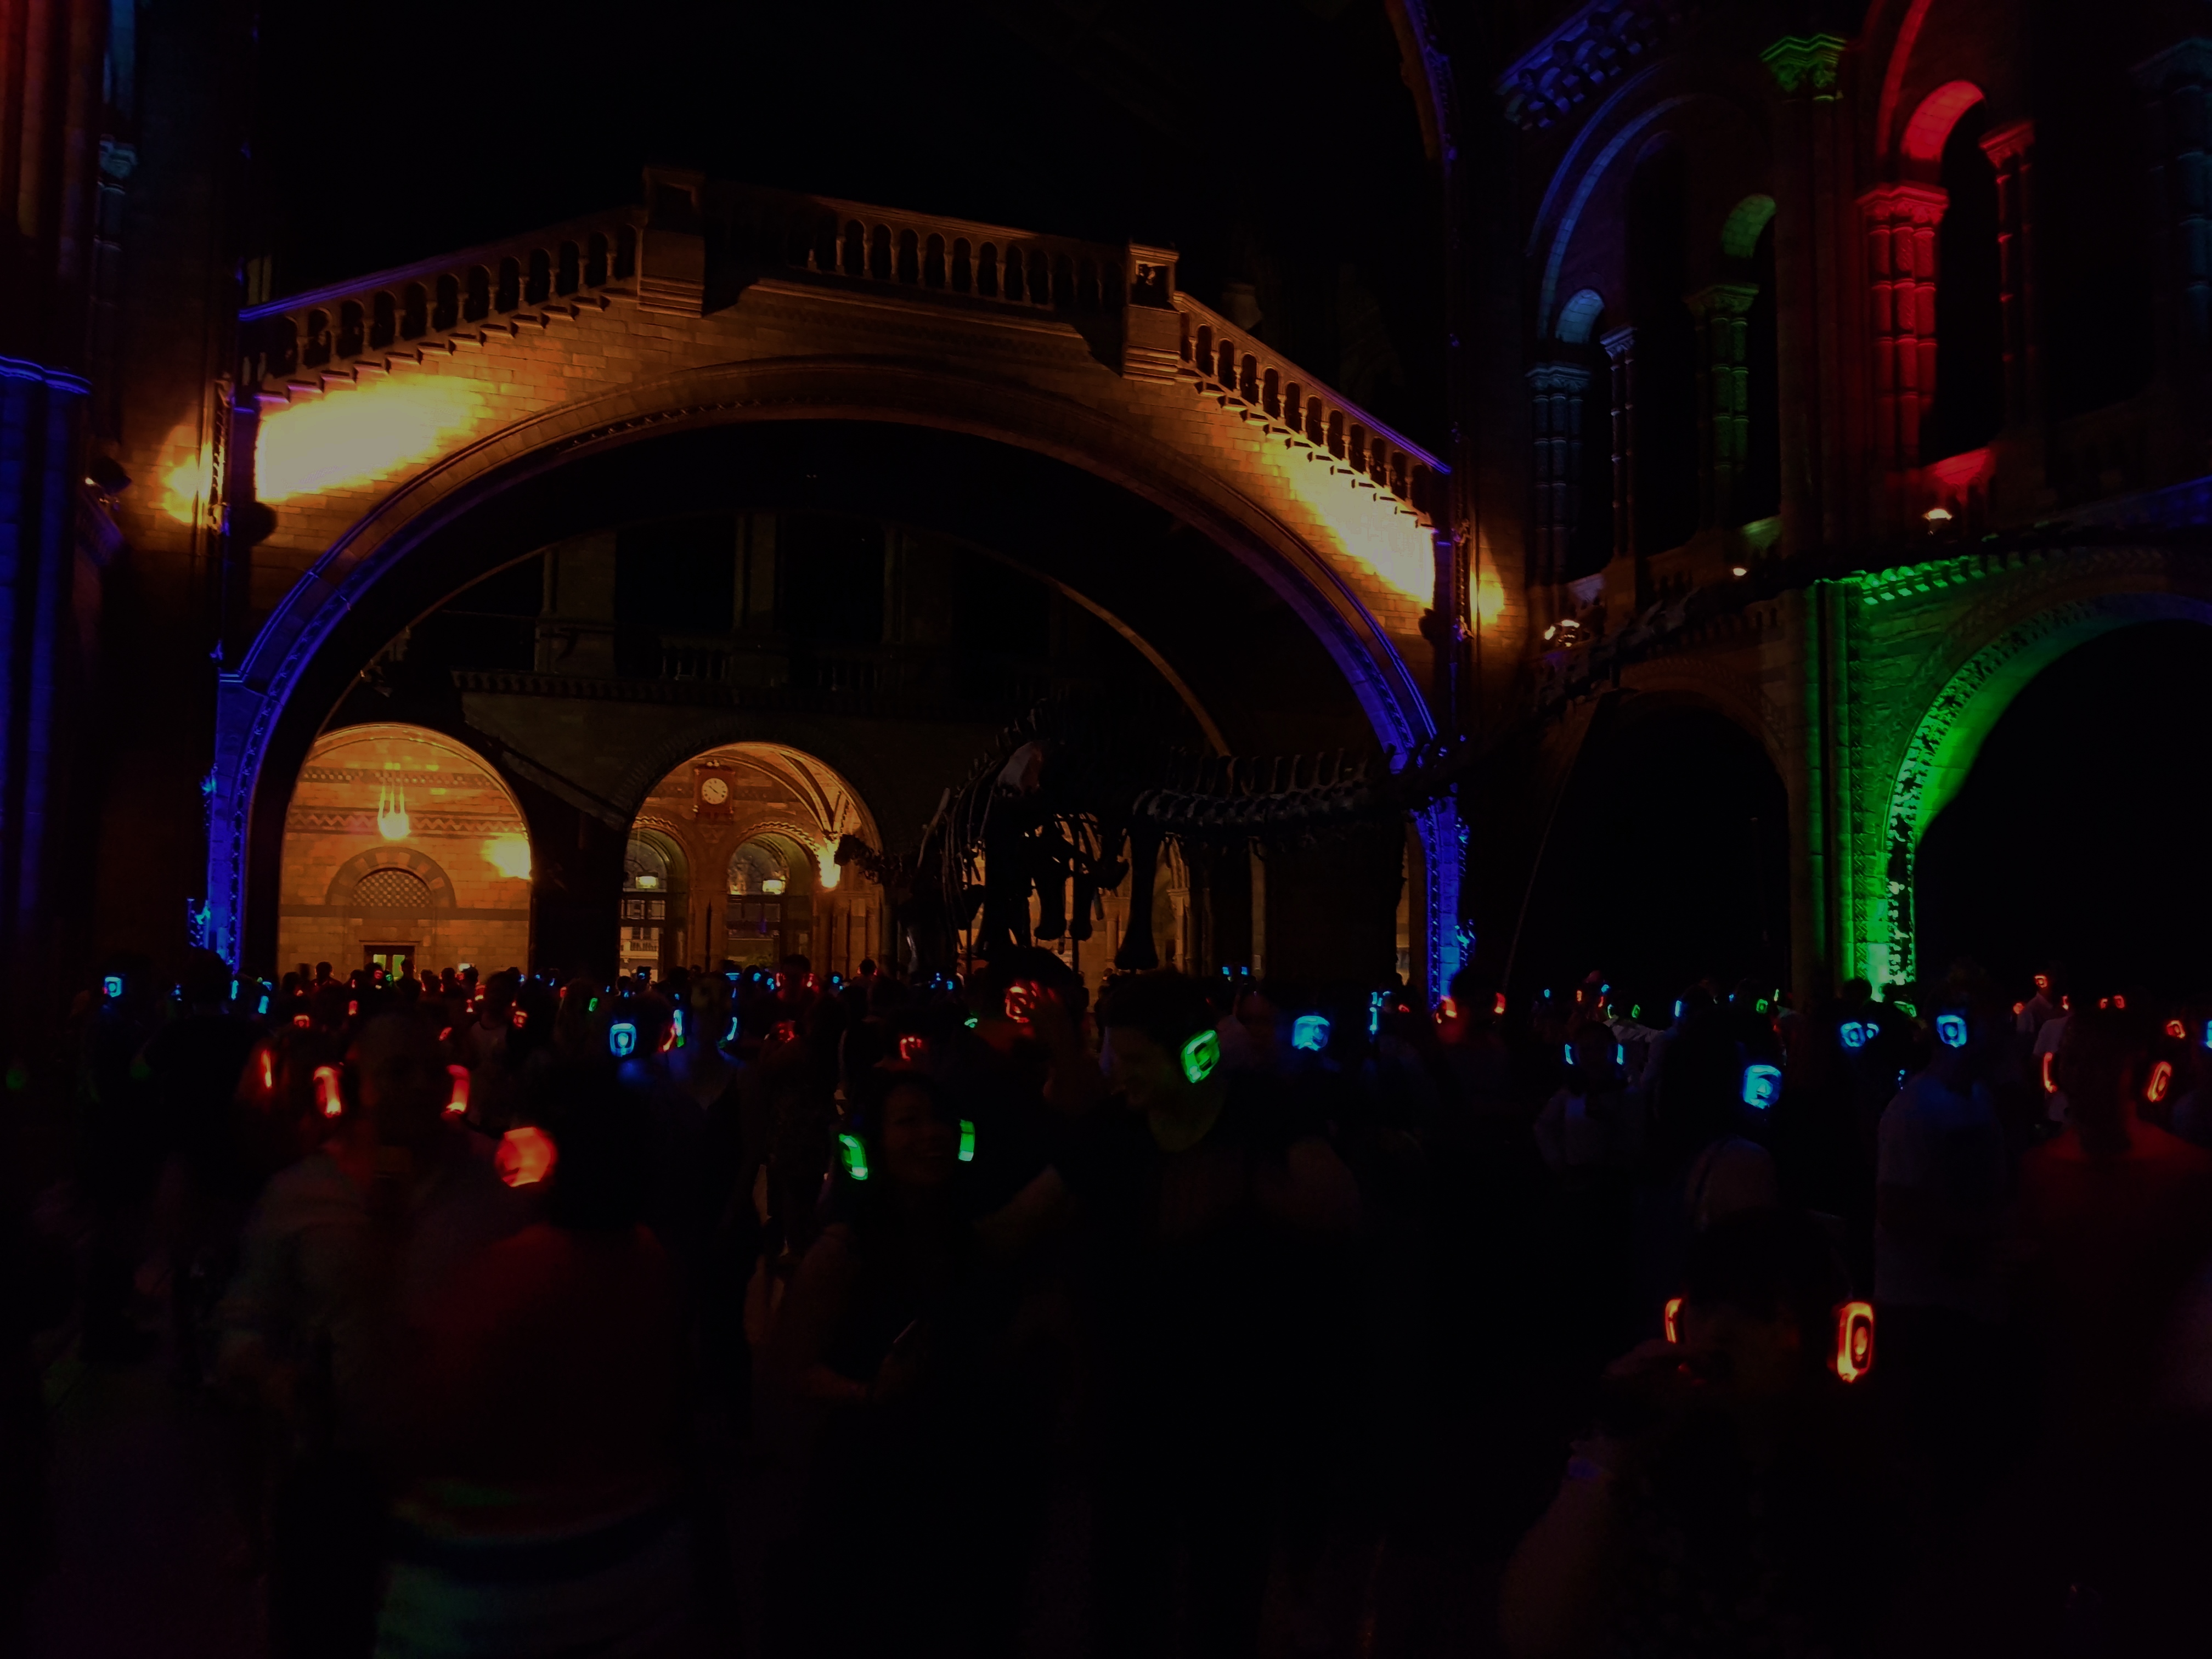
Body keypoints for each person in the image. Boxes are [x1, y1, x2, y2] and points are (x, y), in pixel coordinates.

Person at [982, 970, 1358, 1657]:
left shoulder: (1264, 1115)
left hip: (1241, 1401)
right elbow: (1020, 1221)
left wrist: (1249, 1186)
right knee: (1125, 1580)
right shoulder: (1111, 1135)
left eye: (1133, 1062)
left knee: (1228, 1580)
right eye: (1111, 1057)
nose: (1118, 1077)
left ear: (1195, 1055)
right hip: (1132, 1399)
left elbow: (1338, 1206)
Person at [216, 1015, 522, 1658]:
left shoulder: (491, 1188)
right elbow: (242, 1321)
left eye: (429, 1073)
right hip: (335, 1477)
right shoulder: (303, 1195)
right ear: (361, 1086)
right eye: (396, 1073)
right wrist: (276, 1379)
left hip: (459, 1488)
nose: (416, 1089)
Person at [374, 1062, 696, 1659]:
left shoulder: (511, 1276)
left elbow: (423, 1421)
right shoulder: (648, 1255)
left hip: (508, 1587)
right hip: (631, 1566)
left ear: (550, 1151)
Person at [1499, 1208, 1888, 1658]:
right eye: (1706, 1302)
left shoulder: (1861, 1474)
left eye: (1758, 1310)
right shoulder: (1644, 1455)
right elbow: (1529, 1633)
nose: (1719, 1331)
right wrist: (1613, 1442)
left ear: (1831, 1334)